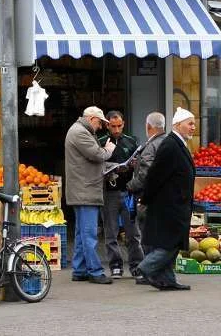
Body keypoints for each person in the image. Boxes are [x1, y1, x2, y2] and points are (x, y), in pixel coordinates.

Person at [136, 107, 196, 291]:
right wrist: (145, 199)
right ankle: (146, 267)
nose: (194, 127)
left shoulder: (178, 144)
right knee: (172, 242)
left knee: (171, 241)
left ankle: (168, 279)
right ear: (178, 125)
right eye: (190, 123)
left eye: (194, 124)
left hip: (176, 202)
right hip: (170, 204)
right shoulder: (170, 145)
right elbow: (155, 175)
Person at [64, 106, 116, 285]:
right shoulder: (80, 132)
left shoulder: (80, 130)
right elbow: (97, 154)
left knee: (81, 233)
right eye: (100, 122)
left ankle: (79, 270)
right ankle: (95, 271)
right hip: (85, 190)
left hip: (83, 189)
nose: (101, 126)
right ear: (92, 118)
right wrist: (108, 150)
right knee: (89, 233)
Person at [97, 110, 143, 279]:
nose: (116, 130)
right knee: (111, 232)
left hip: (129, 191)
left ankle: (136, 265)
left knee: (133, 232)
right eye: (112, 126)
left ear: (123, 124)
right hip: (109, 191)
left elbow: (140, 165)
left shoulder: (132, 141)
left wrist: (132, 165)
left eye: (119, 126)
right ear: (107, 125)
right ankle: (115, 265)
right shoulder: (101, 141)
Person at [126, 111, 166, 284]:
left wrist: (131, 185)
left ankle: (149, 273)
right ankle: (159, 272)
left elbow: (146, 174)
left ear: (148, 127)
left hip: (148, 198)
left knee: (148, 237)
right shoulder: (167, 142)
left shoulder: (151, 146)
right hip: (162, 198)